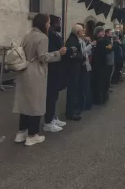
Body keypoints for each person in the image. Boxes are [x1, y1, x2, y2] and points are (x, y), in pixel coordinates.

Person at [13, 13, 67, 146]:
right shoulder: (43, 37)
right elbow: (43, 57)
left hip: (24, 71)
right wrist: (58, 53)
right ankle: (32, 135)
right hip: (36, 72)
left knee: (25, 102)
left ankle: (21, 132)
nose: (49, 25)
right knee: (35, 103)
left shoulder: (27, 35)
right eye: (48, 22)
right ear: (43, 23)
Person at [44, 15, 69, 133]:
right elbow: (50, 53)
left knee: (55, 96)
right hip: (52, 70)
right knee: (51, 97)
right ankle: (49, 121)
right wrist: (61, 52)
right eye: (58, 22)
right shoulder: (49, 36)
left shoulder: (55, 35)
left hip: (57, 70)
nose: (60, 24)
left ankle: (54, 117)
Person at [64, 24, 85, 121]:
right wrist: (82, 57)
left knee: (74, 90)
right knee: (72, 91)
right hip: (72, 69)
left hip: (75, 69)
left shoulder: (74, 39)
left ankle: (73, 110)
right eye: (82, 30)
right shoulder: (72, 41)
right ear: (78, 32)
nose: (83, 32)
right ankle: (70, 113)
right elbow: (73, 55)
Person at [77, 23, 93, 110]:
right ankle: (84, 104)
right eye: (83, 30)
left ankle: (87, 104)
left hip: (86, 65)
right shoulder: (78, 40)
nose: (84, 32)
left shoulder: (82, 40)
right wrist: (90, 45)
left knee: (86, 86)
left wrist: (89, 43)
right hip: (82, 65)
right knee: (84, 86)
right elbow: (82, 52)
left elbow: (88, 53)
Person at [93, 26, 110, 105]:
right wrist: (107, 47)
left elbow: (110, 47)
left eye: (103, 32)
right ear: (98, 32)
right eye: (102, 32)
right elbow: (108, 49)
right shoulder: (101, 41)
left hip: (99, 63)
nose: (103, 33)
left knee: (100, 81)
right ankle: (100, 99)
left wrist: (108, 47)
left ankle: (101, 98)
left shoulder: (101, 40)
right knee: (101, 81)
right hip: (100, 63)